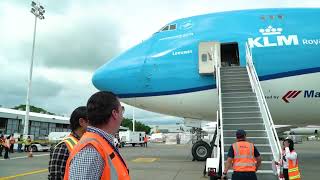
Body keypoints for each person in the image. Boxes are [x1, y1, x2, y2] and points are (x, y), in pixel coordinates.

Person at [65, 91, 130, 180]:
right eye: (122, 110)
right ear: (115, 113)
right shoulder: (91, 149)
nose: (122, 115)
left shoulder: (101, 142)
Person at [48, 106, 88, 180]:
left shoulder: (86, 142)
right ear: (82, 122)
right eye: (92, 122)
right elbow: (56, 176)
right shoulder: (63, 147)